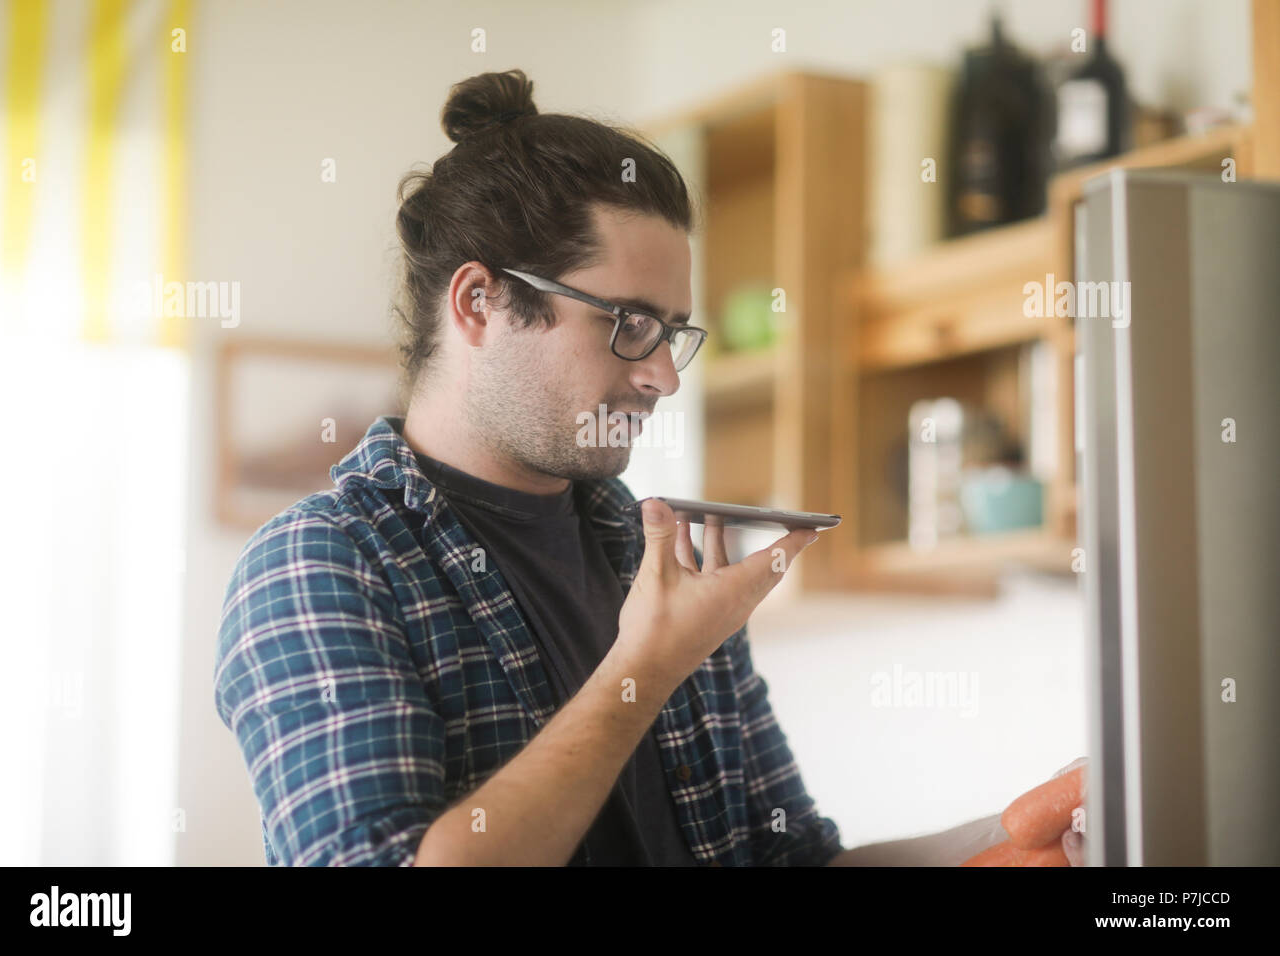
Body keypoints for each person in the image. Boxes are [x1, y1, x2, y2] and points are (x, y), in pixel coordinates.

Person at [213, 68, 1085, 867]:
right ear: (480, 302)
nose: (663, 374)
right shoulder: (320, 566)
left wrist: (1003, 839)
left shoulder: (651, 553)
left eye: (673, 332)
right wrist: (643, 669)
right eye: (628, 321)